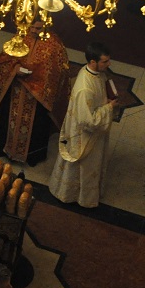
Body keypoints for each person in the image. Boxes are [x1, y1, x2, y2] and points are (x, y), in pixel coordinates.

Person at [48, 42, 117, 208]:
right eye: (105, 61)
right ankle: (76, 196)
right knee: (84, 167)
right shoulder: (85, 88)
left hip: (91, 133)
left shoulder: (94, 73)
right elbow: (88, 121)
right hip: (84, 136)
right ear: (93, 62)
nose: (109, 64)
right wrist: (109, 108)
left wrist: (105, 101)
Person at [0, 25, 70, 165]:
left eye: (38, 28)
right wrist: (15, 68)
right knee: (10, 118)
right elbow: (5, 58)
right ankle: (4, 148)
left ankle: (32, 156)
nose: (33, 31)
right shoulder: (21, 36)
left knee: (36, 125)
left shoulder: (55, 45)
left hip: (37, 98)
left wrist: (35, 80)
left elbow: (57, 74)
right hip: (16, 89)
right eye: (32, 27)